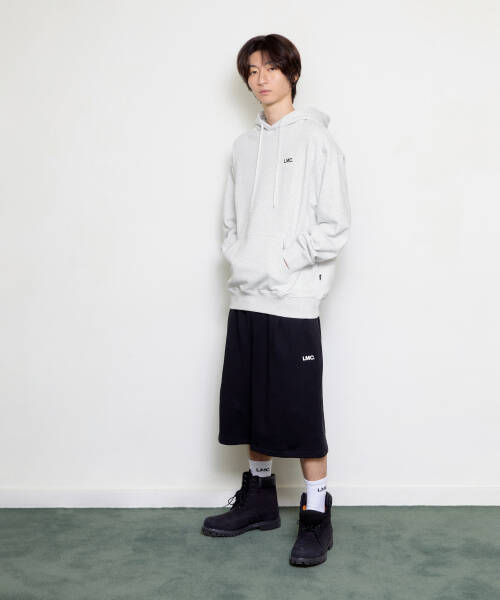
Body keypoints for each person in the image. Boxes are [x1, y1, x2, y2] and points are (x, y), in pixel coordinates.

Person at [201, 33, 351, 568]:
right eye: (252, 69)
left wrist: (284, 262)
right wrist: (243, 258)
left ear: (292, 73)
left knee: (300, 413)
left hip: (293, 300)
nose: (260, 78)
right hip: (246, 297)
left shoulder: (317, 141)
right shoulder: (243, 147)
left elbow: (334, 225)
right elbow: (231, 222)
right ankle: (260, 498)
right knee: (249, 404)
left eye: (270, 67)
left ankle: (316, 514)